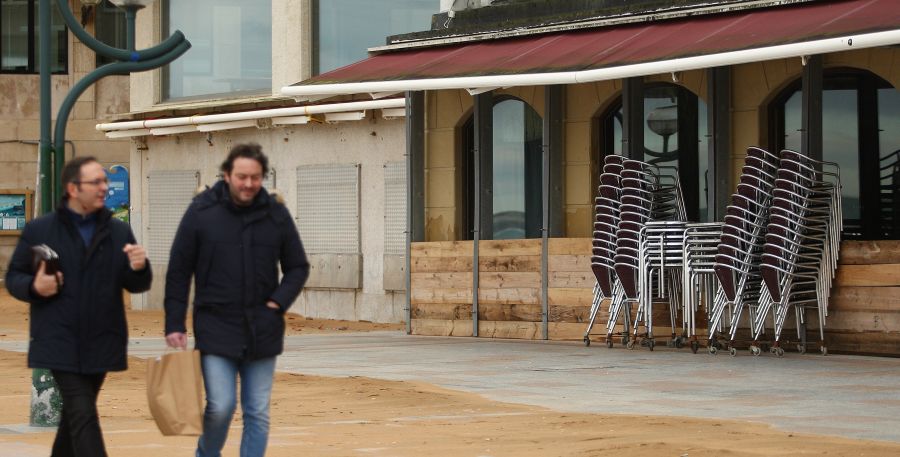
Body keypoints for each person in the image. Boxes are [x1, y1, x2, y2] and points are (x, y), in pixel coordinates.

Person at [164, 143, 309, 457]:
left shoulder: (276, 213)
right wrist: (174, 323)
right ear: (227, 175)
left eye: (255, 178)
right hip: (216, 326)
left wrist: (277, 303)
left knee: (257, 410)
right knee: (221, 405)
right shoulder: (201, 211)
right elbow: (179, 270)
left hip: (263, 328)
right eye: (242, 176)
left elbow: (298, 266)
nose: (248, 184)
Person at [5, 156, 152, 457]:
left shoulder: (118, 232)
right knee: (83, 413)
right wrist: (34, 287)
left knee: (75, 417)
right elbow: (13, 277)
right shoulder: (40, 230)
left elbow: (137, 285)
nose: (104, 188)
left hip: (103, 339)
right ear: (73, 188)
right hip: (58, 340)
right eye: (95, 182)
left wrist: (139, 267)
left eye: (104, 182)